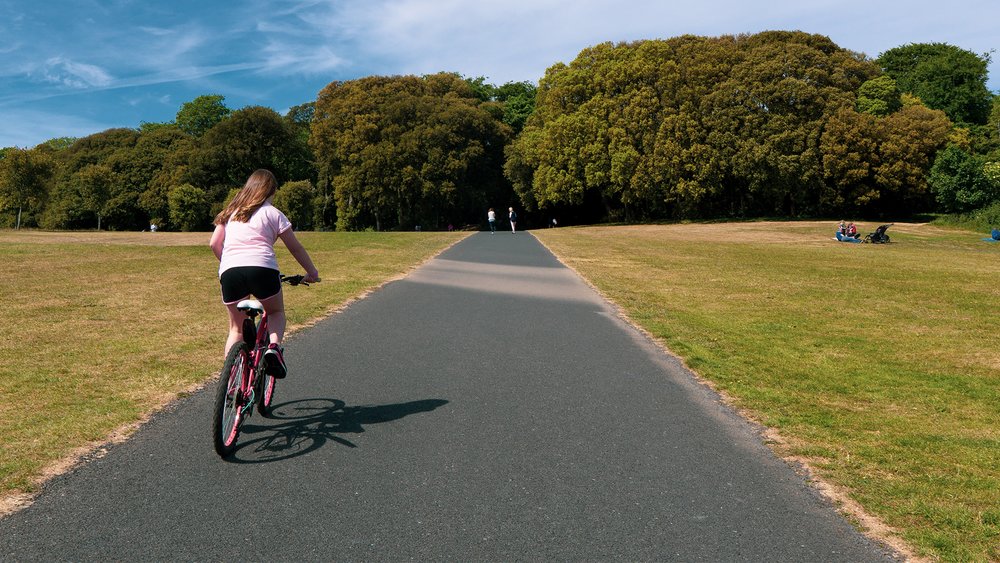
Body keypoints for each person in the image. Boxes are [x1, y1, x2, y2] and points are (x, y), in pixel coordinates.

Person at [209, 169, 320, 378]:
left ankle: (230, 382)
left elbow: (214, 243)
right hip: (263, 269)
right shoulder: (273, 212)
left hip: (230, 271)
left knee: (236, 330)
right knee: (276, 312)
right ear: (270, 191)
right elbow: (295, 247)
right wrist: (311, 272)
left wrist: (228, 263)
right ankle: (274, 349)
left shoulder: (231, 212)